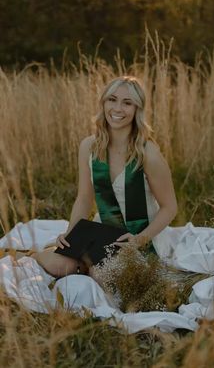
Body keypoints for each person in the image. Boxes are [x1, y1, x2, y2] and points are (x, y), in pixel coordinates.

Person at [33, 76, 177, 278]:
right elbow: (84, 198)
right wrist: (70, 234)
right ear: (103, 103)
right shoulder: (89, 147)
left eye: (127, 103)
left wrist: (140, 239)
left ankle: (85, 266)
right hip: (103, 230)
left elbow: (170, 207)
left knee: (103, 273)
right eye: (112, 99)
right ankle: (34, 256)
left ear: (137, 109)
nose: (117, 109)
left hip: (142, 235)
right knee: (59, 265)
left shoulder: (148, 154)